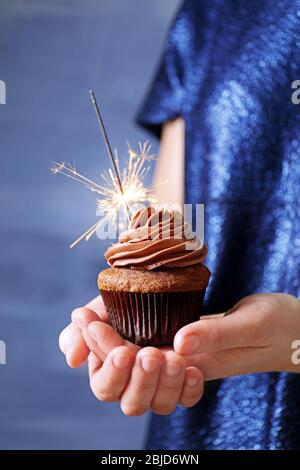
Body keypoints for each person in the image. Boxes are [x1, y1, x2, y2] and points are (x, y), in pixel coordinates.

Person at [59, 0, 300, 450]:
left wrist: (294, 336)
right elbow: (172, 223)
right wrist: (136, 318)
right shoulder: (209, 13)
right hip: (204, 406)